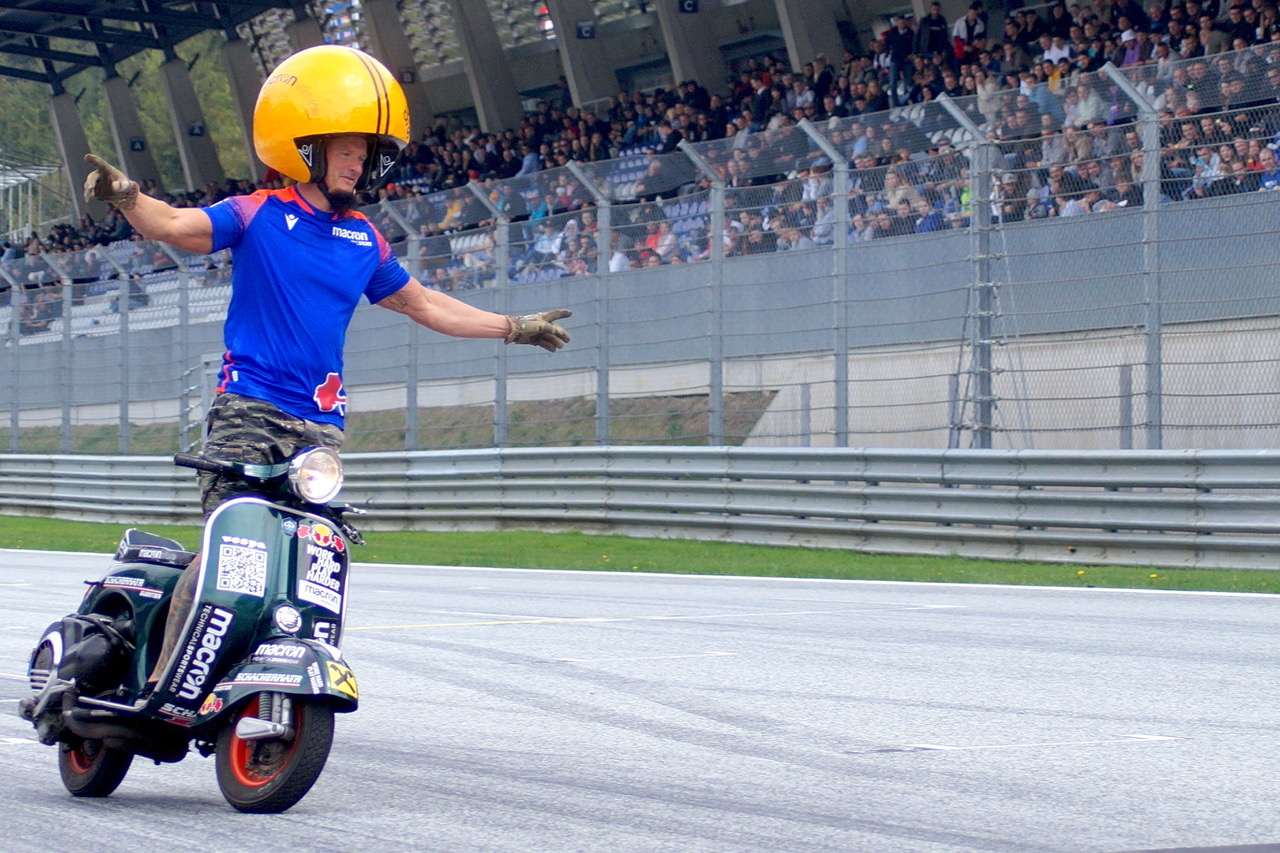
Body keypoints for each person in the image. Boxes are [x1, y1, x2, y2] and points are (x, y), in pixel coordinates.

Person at [81, 45, 572, 698]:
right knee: (233, 553)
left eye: (365, 154)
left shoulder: (364, 239)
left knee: (308, 564)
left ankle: (264, 676)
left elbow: (425, 304)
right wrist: (128, 195)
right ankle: (166, 682)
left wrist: (513, 326)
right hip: (248, 411)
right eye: (345, 149)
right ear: (305, 148)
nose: (358, 162)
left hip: (319, 434)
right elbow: (172, 224)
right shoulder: (257, 213)